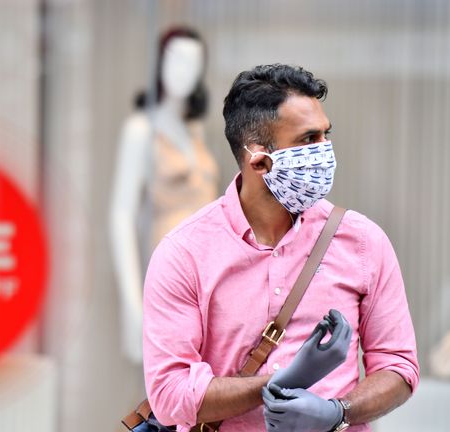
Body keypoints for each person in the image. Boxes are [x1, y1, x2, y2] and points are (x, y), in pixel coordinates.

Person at [142, 64, 418, 431]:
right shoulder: (184, 254)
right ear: (259, 158)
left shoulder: (364, 242)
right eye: (308, 140)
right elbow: (169, 393)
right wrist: (279, 382)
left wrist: (339, 411)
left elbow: (399, 367)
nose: (325, 152)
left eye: (326, 135)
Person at [110, 27, 218, 363]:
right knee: (165, 394)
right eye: (174, 59)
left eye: (192, 62)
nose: (182, 70)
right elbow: (121, 215)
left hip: (210, 279)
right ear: (158, 63)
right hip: (167, 278)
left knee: (201, 394)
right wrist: (131, 302)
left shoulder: (196, 132)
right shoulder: (141, 131)